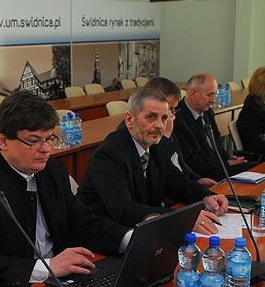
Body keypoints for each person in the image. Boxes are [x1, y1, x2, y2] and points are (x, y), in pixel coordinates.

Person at [0, 90, 131, 287]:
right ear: (3, 141)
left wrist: (130, 239)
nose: (45, 149)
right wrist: (47, 267)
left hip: (57, 284)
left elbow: (81, 221)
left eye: (49, 138)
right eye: (33, 141)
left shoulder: (52, 171)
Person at [77, 88, 228, 235]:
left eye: (164, 118)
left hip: (141, 231)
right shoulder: (109, 154)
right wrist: (182, 218)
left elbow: (178, 183)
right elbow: (124, 209)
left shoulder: (157, 146)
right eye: (151, 117)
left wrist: (206, 197)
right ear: (129, 119)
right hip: (106, 236)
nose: (160, 125)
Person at [173, 72, 257, 181]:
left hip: (217, 165)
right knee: (254, 168)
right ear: (193, 93)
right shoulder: (177, 119)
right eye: (209, 95)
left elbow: (217, 143)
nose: (213, 100)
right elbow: (190, 162)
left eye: (214, 94)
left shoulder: (207, 112)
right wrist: (225, 163)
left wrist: (229, 158)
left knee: (256, 167)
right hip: (203, 174)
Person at [144, 77, 217, 188]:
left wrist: (198, 179)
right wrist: (165, 136)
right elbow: (163, 173)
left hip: (184, 183)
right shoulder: (154, 132)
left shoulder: (169, 122)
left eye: (174, 110)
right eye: (169, 110)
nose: (173, 116)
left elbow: (179, 162)